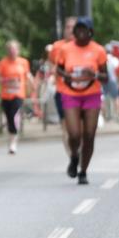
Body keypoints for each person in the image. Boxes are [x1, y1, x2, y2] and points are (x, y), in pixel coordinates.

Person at [54, 16, 108, 185]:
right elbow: (59, 70)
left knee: (89, 135)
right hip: (70, 93)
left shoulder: (98, 50)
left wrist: (95, 75)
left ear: (90, 32)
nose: (80, 32)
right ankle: (74, 156)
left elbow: (106, 77)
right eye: (78, 29)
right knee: (74, 133)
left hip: (91, 94)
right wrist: (68, 76)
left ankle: (83, 171)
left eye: (84, 29)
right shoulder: (65, 49)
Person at [0, 39, 35, 155]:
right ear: (7, 51)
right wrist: (7, 80)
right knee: (9, 118)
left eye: (14, 49)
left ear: (18, 50)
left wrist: (32, 83)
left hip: (18, 94)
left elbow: (27, 75)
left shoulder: (23, 62)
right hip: (6, 95)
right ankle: (12, 138)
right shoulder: (2, 63)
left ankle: (13, 143)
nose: (12, 51)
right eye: (10, 49)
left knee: (14, 115)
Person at [48, 17, 77, 155]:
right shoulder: (57, 46)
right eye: (67, 27)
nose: (70, 30)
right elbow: (51, 65)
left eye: (73, 27)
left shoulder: (84, 46)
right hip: (62, 91)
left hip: (82, 92)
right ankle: (72, 157)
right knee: (66, 127)